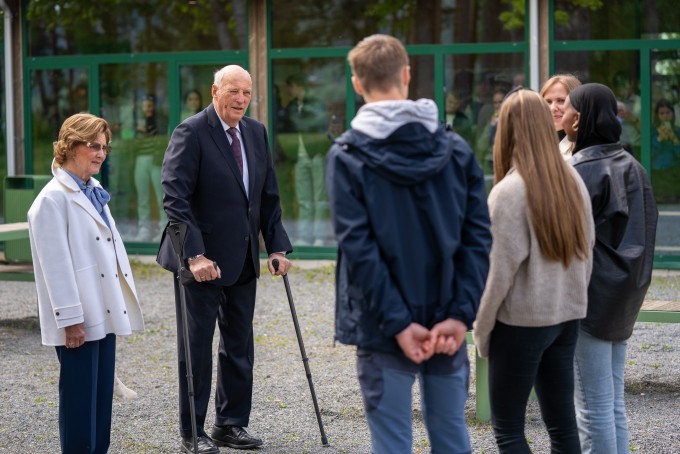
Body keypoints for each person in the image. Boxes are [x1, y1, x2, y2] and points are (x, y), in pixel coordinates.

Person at [326, 34, 492, 453]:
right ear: (406, 75)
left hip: (384, 330)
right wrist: (459, 314)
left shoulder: (347, 157)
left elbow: (360, 251)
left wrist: (399, 324)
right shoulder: (456, 150)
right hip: (444, 322)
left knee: (392, 444)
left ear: (357, 84)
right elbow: (478, 239)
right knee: (453, 437)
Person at [157, 64, 293, 454]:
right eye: (233, 91)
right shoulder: (191, 131)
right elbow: (175, 198)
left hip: (244, 258)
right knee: (196, 348)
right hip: (200, 262)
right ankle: (193, 431)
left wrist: (278, 246)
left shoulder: (256, 132)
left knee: (238, 345)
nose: (240, 100)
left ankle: (230, 424)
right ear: (215, 91)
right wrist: (195, 254)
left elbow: (267, 195)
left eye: (247, 93)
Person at [472, 89, 595, 453]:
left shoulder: (509, 191)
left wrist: (482, 333)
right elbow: (587, 253)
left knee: (509, 429)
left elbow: (497, 276)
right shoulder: (573, 181)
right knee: (562, 426)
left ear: (506, 131)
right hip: (566, 319)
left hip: (521, 324)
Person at [27, 113, 145, 453]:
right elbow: (56, 267)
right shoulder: (51, 200)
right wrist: (71, 321)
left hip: (103, 312)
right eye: (93, 145)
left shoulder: (93, 191)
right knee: (79, 403)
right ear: (69, 145)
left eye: (105, 148)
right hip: (78, 321)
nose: (100, 154)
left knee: (100, 402)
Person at [562, 83, 658, 453]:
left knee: (591, 407)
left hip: (590, 300)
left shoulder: (582, 170)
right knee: (611, 401)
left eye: (567, 108)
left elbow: (568, 240)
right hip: (624, 297)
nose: (563, 115)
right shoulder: (633, 166)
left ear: (580, 119)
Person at [280, 73, 330, 246]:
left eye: (291, 87)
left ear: (298, 86)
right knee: (303, 199)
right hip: (299, 156)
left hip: (316, 155)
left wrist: (301, 120)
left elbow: (317, 125)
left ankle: (320, 237)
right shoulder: (292, 106)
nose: (289, 91)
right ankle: (305, 236)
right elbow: (287, 126)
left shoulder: (315, 103)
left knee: (319, 197)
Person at [133, 94, 167, 242]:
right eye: (145, 106)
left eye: (150, 106)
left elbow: (163, 140)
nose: (148, 109)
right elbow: (131, 142)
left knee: (161, 197)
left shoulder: (161, 122)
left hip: (157, 161)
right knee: (143, 197)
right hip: (140, 159)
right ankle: (144, 229)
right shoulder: (135, 123)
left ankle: (164, 229)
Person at [540, 74, 582, 158]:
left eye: (561, 101)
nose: (553, 108)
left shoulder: (584, 150)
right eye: (548, 102)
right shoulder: (533, 144)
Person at [651, 98, 680, 170]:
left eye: (668, 112)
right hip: (656, 170)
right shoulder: (652, 131)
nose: (665, 116)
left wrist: (674, 138)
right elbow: (650, 153)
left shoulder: (677, 131)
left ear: (673, 113)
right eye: (662, 113)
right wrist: (659, 139)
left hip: (673, 169)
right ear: (657, 115)